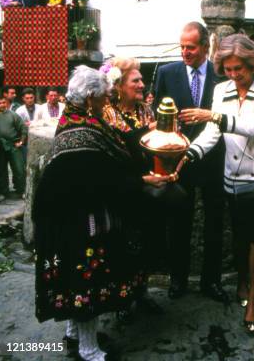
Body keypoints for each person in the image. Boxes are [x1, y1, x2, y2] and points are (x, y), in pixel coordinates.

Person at [33, 66, 172, 361]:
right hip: (78, 220)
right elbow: (101, 179)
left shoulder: (74, 118)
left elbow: (113, 147)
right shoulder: (83, 129)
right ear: (89, 98)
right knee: (84, 280)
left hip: (62, 216)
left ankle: (73, 335)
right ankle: (88, 350)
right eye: (101, 97)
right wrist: (142, 182)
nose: (105, 102)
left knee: (71, 278)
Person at [182, 34, 254, 335]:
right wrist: (189, 152)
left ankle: (253, 300)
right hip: (235, 175)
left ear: (252, 63)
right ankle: (243, 279)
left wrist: (214, 116)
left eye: (238, 69)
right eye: (227, 69)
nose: (233, 75)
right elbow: (212, 133)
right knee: (242, 236)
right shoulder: (221, 89)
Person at [154, 22, 227, 302]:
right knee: (179, 222)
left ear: (205, 48)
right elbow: (158, 114)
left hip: (213, 160)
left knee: (214, 223)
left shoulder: (221, 75)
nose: (185, 52)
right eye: (182, 46)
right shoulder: (166, 72)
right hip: (178, 161)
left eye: (191, 47)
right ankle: (178, 280)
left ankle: (212, 282)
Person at [101, 57, 164, 320]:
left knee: (147, 240)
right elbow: (117, 148)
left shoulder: (146, 111)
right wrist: (144, 133)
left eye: (141, 79)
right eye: (135, 80)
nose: (142, 84)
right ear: (119, 85)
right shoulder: (107, 113)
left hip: (147, 186)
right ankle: (121, 298)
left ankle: (142, 290)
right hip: (123, 188)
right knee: (122, 244)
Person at [0, 93, 26, 201]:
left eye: (3, 102)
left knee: (19, 168)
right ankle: (2, 192)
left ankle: (21, 190)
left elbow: (23, 127)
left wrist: (21, 141)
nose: (1, 105)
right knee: (0, 170)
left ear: (7, 103)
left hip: (13, 145)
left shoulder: (12, 115)